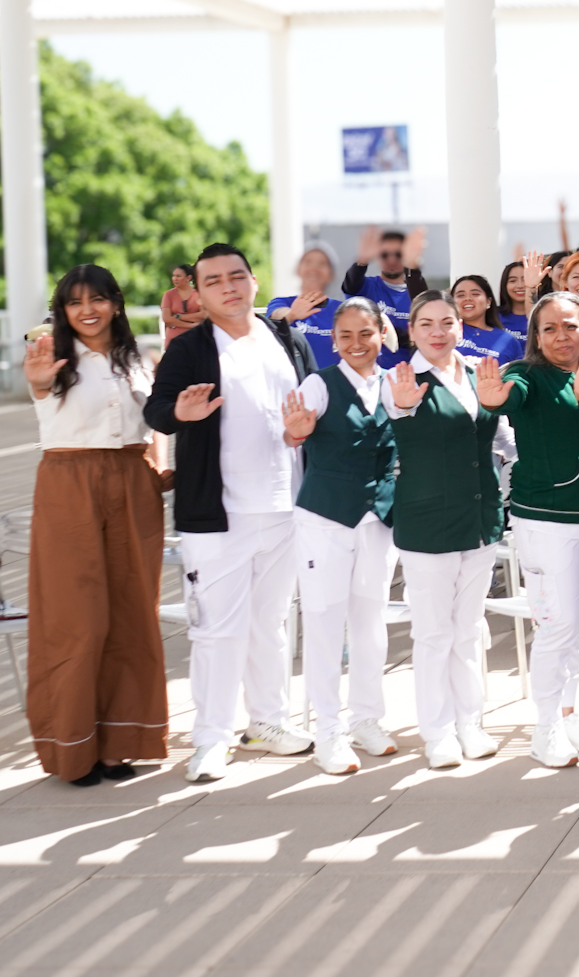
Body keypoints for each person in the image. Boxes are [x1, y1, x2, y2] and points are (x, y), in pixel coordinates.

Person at [146, 242, 318, 782]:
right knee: (217, 630)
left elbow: (316, 405)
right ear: (196, 293)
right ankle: (211, 739)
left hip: (285, 507)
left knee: (269, 623)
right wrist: (181, 409)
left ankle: (266, 722)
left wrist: (305, 430)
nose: (228, 287)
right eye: (214, 280)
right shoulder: (191, 349)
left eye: (236, 276)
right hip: (217, 515)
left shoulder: (284, 338)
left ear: (253, 281)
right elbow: (156, 410)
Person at [23, 265, 167, 786]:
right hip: (70, 484)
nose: (87, 311)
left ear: (116, 303)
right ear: (62, 310)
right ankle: (72, 749)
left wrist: (162, 466)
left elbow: (156, 422)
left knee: (132, 614)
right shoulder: (50, 357)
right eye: (74, 302)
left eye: (98, 299)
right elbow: (41, 391)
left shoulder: (135, 358)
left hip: (133, 480)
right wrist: (39, 383)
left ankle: (120, 744)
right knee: (77, 621)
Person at [383, 291, 511, 768]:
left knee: (469, 628)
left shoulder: (479, 373)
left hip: (479, 520)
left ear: (461, 326)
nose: (438, 332)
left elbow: (500, 436)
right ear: (411, 331)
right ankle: (437, 732)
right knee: (434, 633)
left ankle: (470, 723)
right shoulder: (399, 380)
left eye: (447, 322)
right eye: (427, 324)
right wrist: (401, 407)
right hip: (428, 523)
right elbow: (397, 415)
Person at [489, 291, 579, 766]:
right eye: (550, 328)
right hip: (544, 520)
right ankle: (544, 728)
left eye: (570, 326)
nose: (561, 336)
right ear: (535, 337)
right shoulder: (528, 375)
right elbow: (508, 396)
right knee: (555, 623)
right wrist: (493, 398)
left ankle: (567, 713)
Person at [278, 297, 399, 774]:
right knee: (326, 622)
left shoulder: (394, 384)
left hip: (376, 520)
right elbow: (293, 433)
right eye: (345, 335)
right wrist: (295, 433)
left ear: (380, 333)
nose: (356, 344)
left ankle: (366, 719)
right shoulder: (319, 384)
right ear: (333, 340)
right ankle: (328, 730)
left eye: (364, 333)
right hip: (326, 519)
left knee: (371, 624)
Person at [340, 227, 429, 351]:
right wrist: (361, 262)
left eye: (398, 254)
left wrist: (413, 267)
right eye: (384, 255)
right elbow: (351, 284)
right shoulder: (366, 287)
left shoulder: (415, 290)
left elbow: (426, 307)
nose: (391, 260)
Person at [267, 245, 341, 369]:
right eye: (308, 262)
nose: (314, 268)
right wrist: (292, 315)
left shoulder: (342, 310)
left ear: (331, 274)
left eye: (322, 263)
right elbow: (276, 316)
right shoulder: (281, 302)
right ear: (298, 270)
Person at [452, 274, 523, 363]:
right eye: (461, 295)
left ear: (488, 302)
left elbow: (517, 374)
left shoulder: (508, 340)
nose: (468, 298)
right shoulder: (446, 331)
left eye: (475, 294)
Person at [160, 263, 204, 341]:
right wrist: (191, 325)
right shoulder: (168, 295)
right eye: (174, 276)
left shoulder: (199, 293)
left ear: (188, 278)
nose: (175, 278)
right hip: (174, 339)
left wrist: (178, 316)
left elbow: (203, 315)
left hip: (196, 337)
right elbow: (166, 319)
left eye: (178, 276)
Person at [497, 259, 534, 336]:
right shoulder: (494, 316)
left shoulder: (542, 315)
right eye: (513, 281)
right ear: (505, 285)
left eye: (525, 280)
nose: (520, 286)